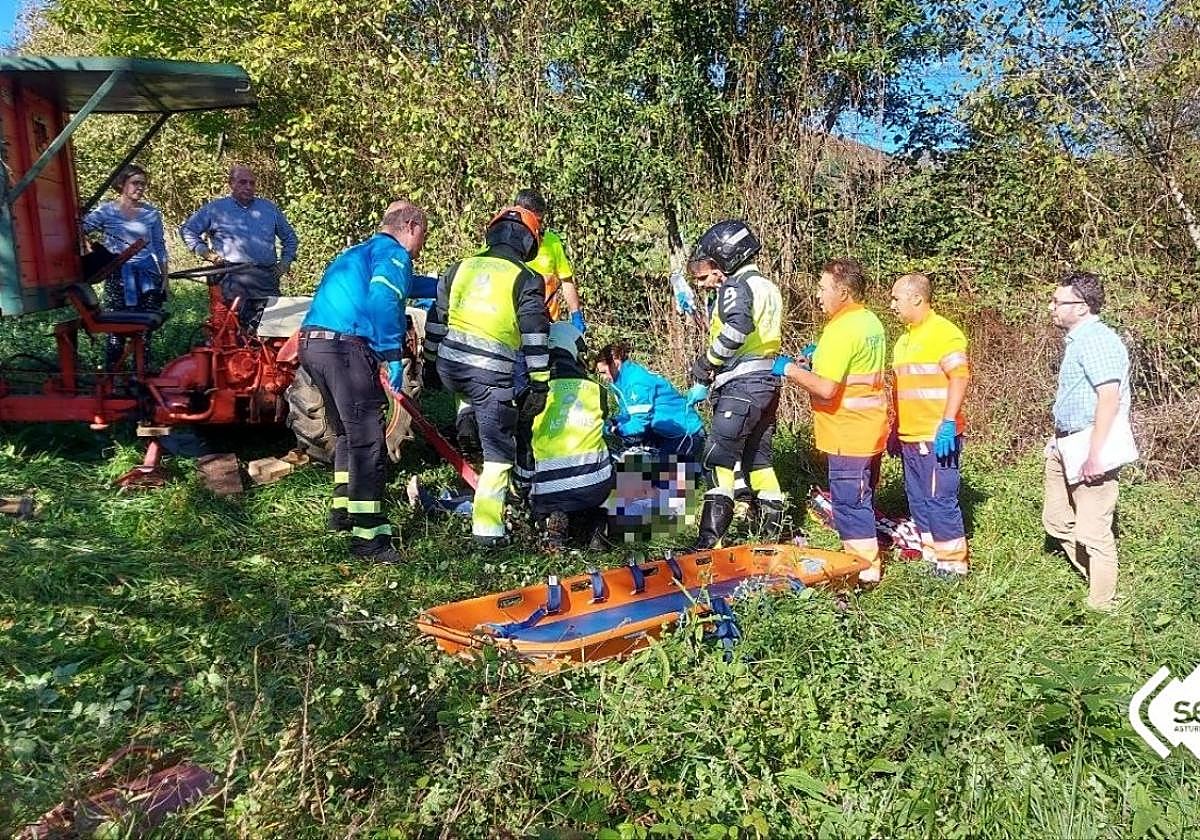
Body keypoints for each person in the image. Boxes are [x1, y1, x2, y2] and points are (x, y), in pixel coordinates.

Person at [298, 200, 429, 563]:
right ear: (412, 225)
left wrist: (440, 285)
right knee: (370, 441)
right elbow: (384, 299)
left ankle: (342, 512)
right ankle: (370, 539)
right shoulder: (394, 254)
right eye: (423, 236)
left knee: (346, 434)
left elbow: (402, 284)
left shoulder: (359, 252)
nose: (420, 247)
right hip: (345, 349)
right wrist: (391, 355)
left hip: (313, 345)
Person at [424, 206, 551, 546]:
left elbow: (436, 319)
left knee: (472, 394)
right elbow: (535, 335)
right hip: (490, 377)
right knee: (499, 455)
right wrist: (539, 383)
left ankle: (468, 417)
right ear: (528, 243)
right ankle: (488, 530)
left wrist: (429, 363)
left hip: (451, 368)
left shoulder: (458, 268)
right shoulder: (526, 278)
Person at [776, 258, 889, 582]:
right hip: (869, 428)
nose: (818, 295)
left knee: (849, 503)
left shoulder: (841, 329)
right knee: (863, 497)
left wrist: (789, 369)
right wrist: (816, 357)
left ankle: (862, 573)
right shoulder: (870, 322)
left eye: (823, 288)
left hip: (847, 431)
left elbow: (826, 388)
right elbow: (854, 369)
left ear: (844, 291)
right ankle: (865, 563)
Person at [685, 219, 785, 548]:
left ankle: (708, 544)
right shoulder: (768, 286)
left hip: (741, 384)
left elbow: (737, 329)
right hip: (768, 383)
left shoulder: (736, 285)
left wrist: (705, 365)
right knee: (759, 462)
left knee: (718, 460)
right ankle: (772, 537)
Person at [1043, 271, 1132, 611]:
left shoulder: (1097, 340)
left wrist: (1095, 456)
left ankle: (1103, 604)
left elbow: (1108, 398)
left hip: (1089, 446)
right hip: (1066, 443)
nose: (1051, 307)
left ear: (1080, 307)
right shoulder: (1079, 341)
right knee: (1056, 520)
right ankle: (1096, 580)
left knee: (1093, 531)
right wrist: (1057, 439)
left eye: (1057, 302)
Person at [888, 272, 970, 577]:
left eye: (896, 298)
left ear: (917, 298)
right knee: (918, 498)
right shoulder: (904, 340)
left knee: (939, 499)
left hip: (937, 436)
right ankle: (931, 554)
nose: (891, 304)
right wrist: (896, 428)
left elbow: (959, 377)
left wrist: (948, 422)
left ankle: (953, 565)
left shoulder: (943, 333)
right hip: (910, 435)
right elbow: (902, 389)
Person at [524, 322, 614, 550]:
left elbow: (523, 447)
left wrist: (521, 491)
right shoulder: (597, 391)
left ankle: (554, 522)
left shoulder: (532, 393)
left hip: (545, 490)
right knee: (618, 460)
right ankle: (598, 528)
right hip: (594, 487)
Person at [180, 164, 299, 331]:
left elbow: (290, 238)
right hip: (231, 278)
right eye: (243, 182)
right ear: (231, 183)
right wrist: (207, 253)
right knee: (233, 332)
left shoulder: (268, 209)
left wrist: (285, 263)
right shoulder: (216, 209)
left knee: (273, 331)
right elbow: (188, 230)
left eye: (252, 183)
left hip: (266, 278)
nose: (248, 187)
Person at [81, 164, 169, 369]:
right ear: (122, 184)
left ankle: (142, 375)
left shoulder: (151, 213)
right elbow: (80, 228)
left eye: (143, 184)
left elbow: (160, 246)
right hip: (118, 276)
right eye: (135, 183)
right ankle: (113, 376)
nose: (140, 188)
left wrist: (165, 277)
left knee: (145, 329)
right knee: (116, 329)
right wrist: (91, 254)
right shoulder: (106, 211)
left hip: (148, 277)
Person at [595, 341, 705, 460]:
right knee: (634, 469)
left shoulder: (635, 383)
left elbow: (639, 425)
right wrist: (614, 421)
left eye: (604, 372)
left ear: (616, 364)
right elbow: (628, 414)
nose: (603, 377)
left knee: (657, 476)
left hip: (685, 433)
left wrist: (615, 430)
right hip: (664, 432)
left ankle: (699, 472)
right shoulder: (622, 380)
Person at [515, 189, 585, 333]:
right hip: (514, 325)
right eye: (535, 221)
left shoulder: (552, 241)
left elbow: (566, 281)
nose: (538, 227)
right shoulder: (503, 242)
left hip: (547, 324)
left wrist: (576, 314)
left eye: (541, 221)